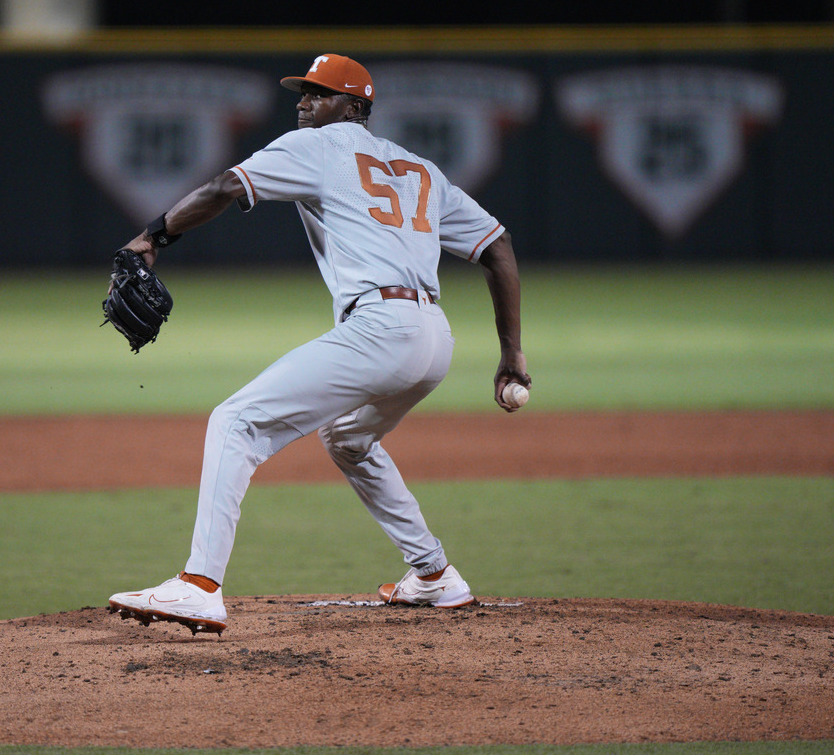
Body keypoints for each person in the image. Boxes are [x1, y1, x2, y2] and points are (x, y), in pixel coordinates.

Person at [107, 54, 530, 634]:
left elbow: (225, 185)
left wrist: (152, 238)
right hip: (434, 339)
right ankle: (433, 574)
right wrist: (512, 353)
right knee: (349, 438)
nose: (304, 103)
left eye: (319, 93)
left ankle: (199, 586)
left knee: (236, 423)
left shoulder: (319, 147)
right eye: (302, 92)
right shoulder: (421, 169)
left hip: (382, 327)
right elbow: (498, 246)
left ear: (354, 108)